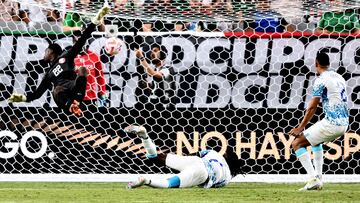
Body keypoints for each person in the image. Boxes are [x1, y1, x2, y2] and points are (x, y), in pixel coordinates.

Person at [7, 4, 110, 116]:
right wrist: (19, 98)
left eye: (46, 51)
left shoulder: (66, 57)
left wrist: (95, 20)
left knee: (83, 70)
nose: (44, 54)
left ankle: (76, 102)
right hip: (62, 96)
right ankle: (71, 105)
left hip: (74, 89)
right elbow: (37, 94)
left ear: (52, 52)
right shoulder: (49, 74)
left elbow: (82, 39)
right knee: (57, 90)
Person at [289, 52, 349, 191]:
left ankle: (312, 179)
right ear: (328, 63)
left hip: (332, 123)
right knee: (315, 142)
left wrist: (300, 127)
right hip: (344, 123)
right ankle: (319, 178)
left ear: (316, 63)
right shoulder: (339, 77)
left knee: (297, 143)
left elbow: (312, 107)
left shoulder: (321, 80)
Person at [125, 125, 243, 189]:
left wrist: (181, 163)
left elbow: (198, 154)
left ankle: (145, 136)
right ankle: (146, 180)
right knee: (169, 184)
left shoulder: (215, 154)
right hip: (202, 173)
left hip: (196, 161)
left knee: (155, 157)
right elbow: (211, 186)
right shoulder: (226, 178)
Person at [135, 44, 177, 109]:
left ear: (163, 53)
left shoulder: (167, 68)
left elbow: (154, 74)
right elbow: (156, 87)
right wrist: (147, 85)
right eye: (152, 51)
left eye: (155, 51)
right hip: (155, 105)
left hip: (165, 108)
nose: (152, 53)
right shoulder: (156, 69)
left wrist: (141, 57)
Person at [72, 31, 107, 107]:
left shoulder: (94, 56)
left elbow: (100, 77)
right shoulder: (69, 57)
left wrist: (102, 93)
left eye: (82, 41)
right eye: (77, 41)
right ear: (73, 42)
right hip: (73, 97)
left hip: (90, 97)